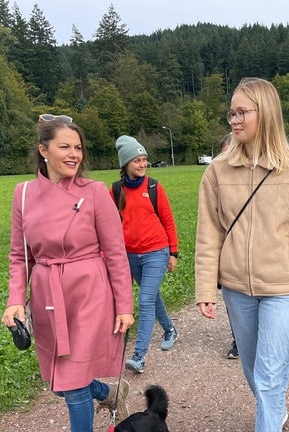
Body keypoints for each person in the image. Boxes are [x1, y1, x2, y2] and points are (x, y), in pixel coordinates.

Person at [195, 77, 289, 431]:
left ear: (265, 113)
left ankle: (268, 419)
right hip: (237, 288)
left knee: (269, 372)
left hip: (282, 288)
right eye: (231, 113)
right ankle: (273, 409)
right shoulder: (216, 171)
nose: (234, 120)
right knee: (253, 368)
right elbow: (208, 234)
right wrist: (206, 288)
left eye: (242, 112)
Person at [3, 114, 134, 432]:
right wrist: (15, 299)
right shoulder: (23, 194)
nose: (74, 154)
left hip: (89, 293)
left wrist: (125, 305)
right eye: (65, 146)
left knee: (72, 384)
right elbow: (20, 256)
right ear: (43, 150)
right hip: (47, 295)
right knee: (59, 381)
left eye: (78, 147)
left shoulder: (95, 192)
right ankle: (109, 393)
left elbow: (116, 253)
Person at [112, 135, 180, 374]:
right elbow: (111, 225)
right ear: (126, 163)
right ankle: (170, 329)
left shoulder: (153, 186)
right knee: (151, 296)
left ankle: (139, 356)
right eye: (137, 160)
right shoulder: (116, 189)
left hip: (156, 251)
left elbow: (168, 220)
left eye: (144, 160)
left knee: (145, 299)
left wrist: (173, 252)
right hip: (130, 255)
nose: (142, 164)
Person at [217, 133, 240, 360]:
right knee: (232, 302)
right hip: (227, 257)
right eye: (225, 152)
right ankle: (238, 338)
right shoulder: (215, 181)